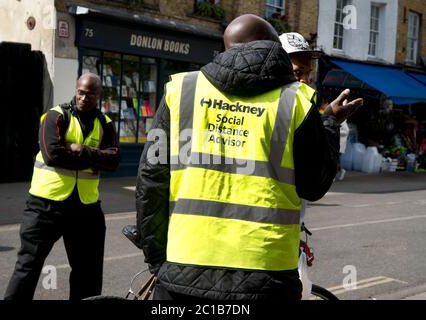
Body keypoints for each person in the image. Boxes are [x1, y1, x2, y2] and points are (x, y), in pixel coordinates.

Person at [135, 14, 362, 300]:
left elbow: (151, 182)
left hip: (184, 268)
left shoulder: (181, 91)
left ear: (227, 48)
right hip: (267, 275)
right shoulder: (297, 102)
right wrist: (329, 125)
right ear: (272, 49)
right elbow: (315, 185)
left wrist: (157, 259)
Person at [4, 73, 120, 300]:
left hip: (86, 209)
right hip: (46, 206)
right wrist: (95, 160)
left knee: (89, 272)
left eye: (91, 94)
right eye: (81, 92)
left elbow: (114, 160)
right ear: (76, 90)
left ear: (99, 96)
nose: (85, 98)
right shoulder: (55, 117)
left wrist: (81, 149)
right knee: (28, 265)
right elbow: (52, 155)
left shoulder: (105, 124)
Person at [279, 32, 355, 181]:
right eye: (298, 72)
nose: (305, 80)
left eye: (308, 73)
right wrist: (330, 120)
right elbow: (316, 181)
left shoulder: (301, 106)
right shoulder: (277, 107)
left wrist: (329, 120)